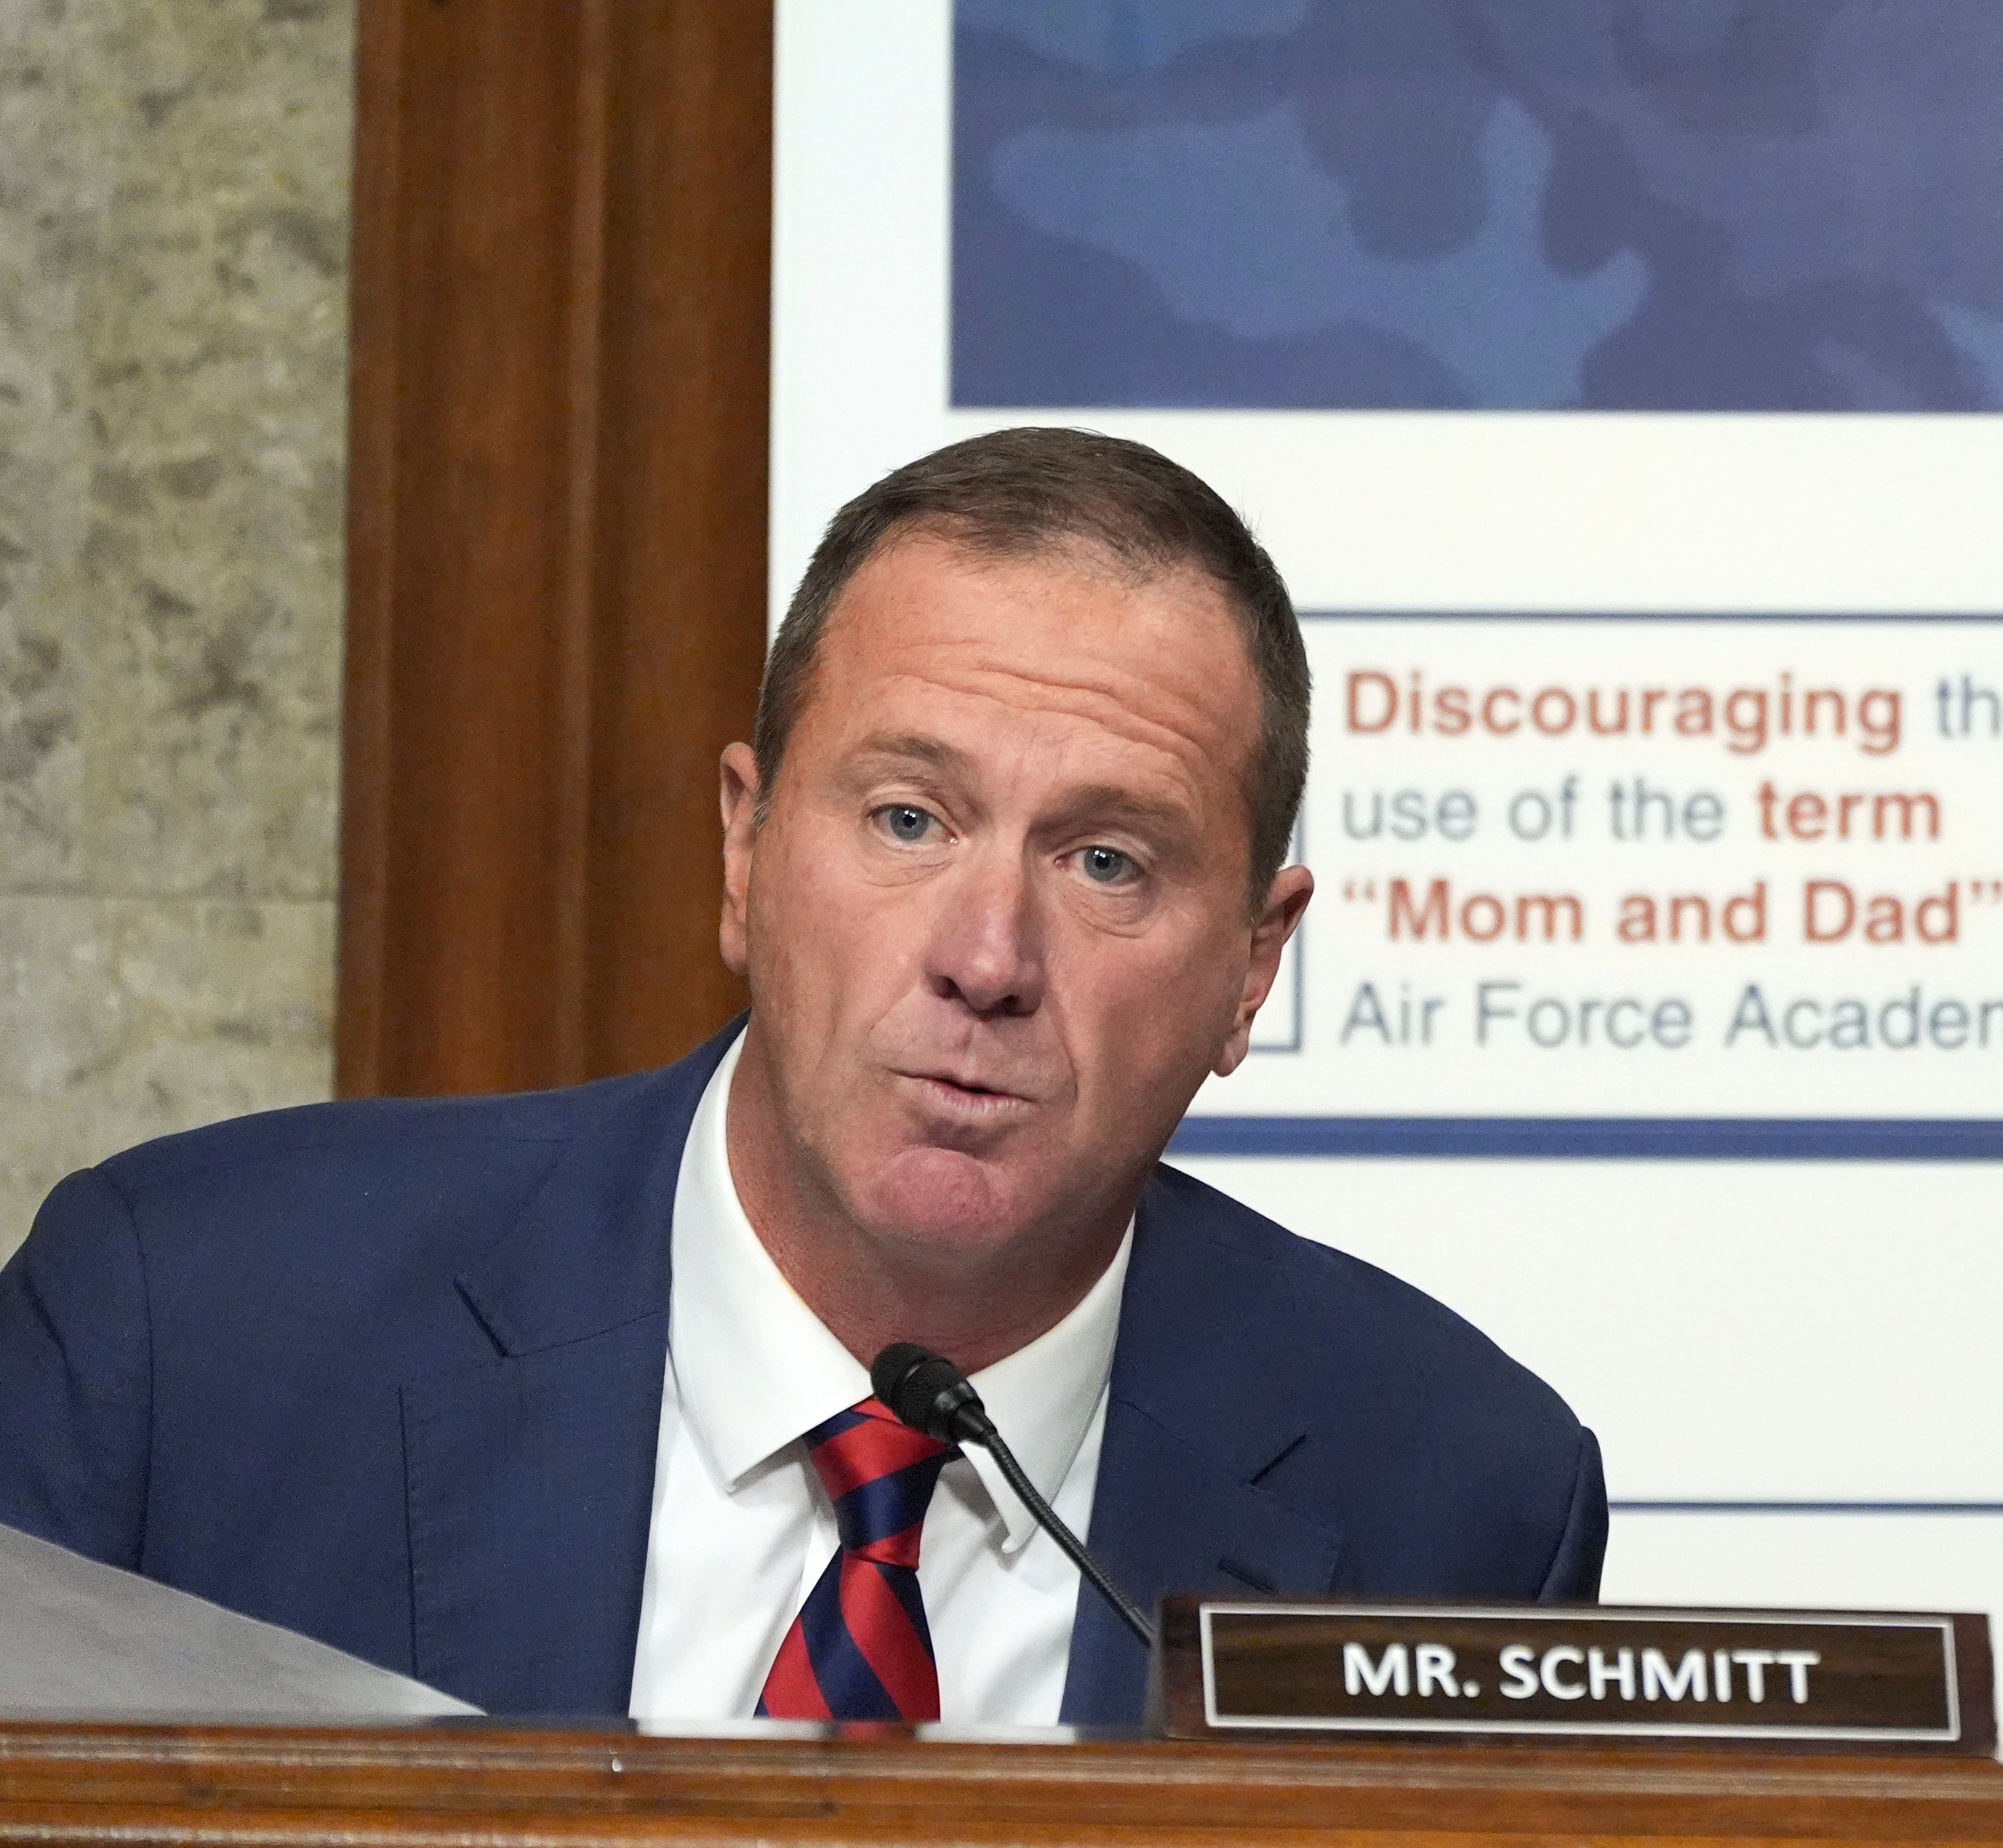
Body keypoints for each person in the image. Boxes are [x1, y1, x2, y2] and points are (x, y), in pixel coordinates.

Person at [0, 427, 1604, 1726]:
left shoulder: (1448, 1503)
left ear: (1249, 972)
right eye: (908, 819)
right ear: (745, 851)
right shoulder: (191, 1342)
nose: (988, 956)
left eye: (1108, 860)